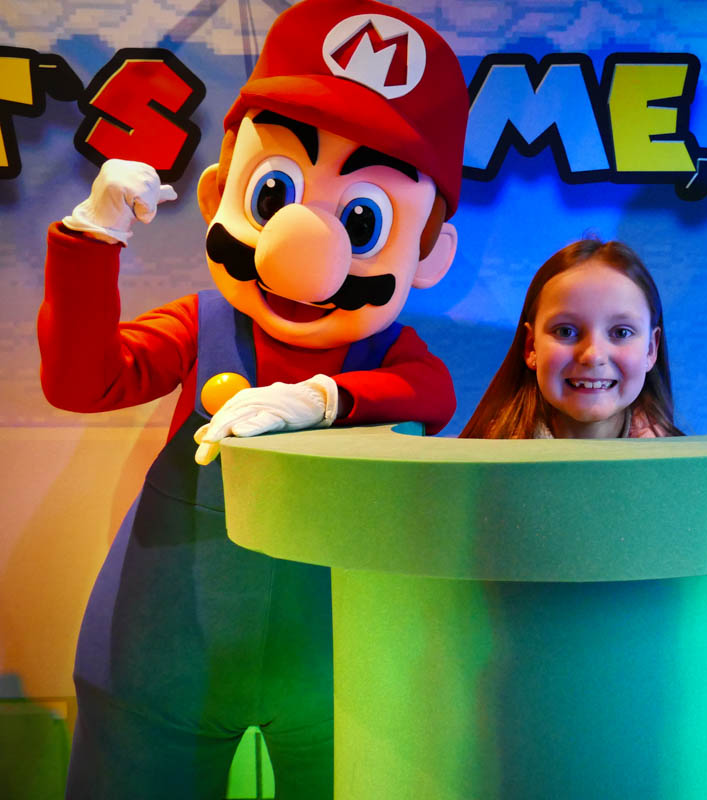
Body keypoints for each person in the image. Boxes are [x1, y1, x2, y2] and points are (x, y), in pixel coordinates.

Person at [37, 1, 468, 797]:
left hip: (335, 660)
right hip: (165, 650)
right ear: (217, 193)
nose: (303, 253)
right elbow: (83, 380)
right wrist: (91, 239)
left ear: (430, 254)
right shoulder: (199, 324)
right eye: (273, 194)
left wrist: (325, 398)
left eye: (363, 220)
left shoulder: (386, 353)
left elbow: (431, 392)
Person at [461, 238, 683, 439]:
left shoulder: (684, 466)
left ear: (650, 349)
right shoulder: (478, 464)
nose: (593, 355)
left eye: (621, 333)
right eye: (566, 331)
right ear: (531, 347)